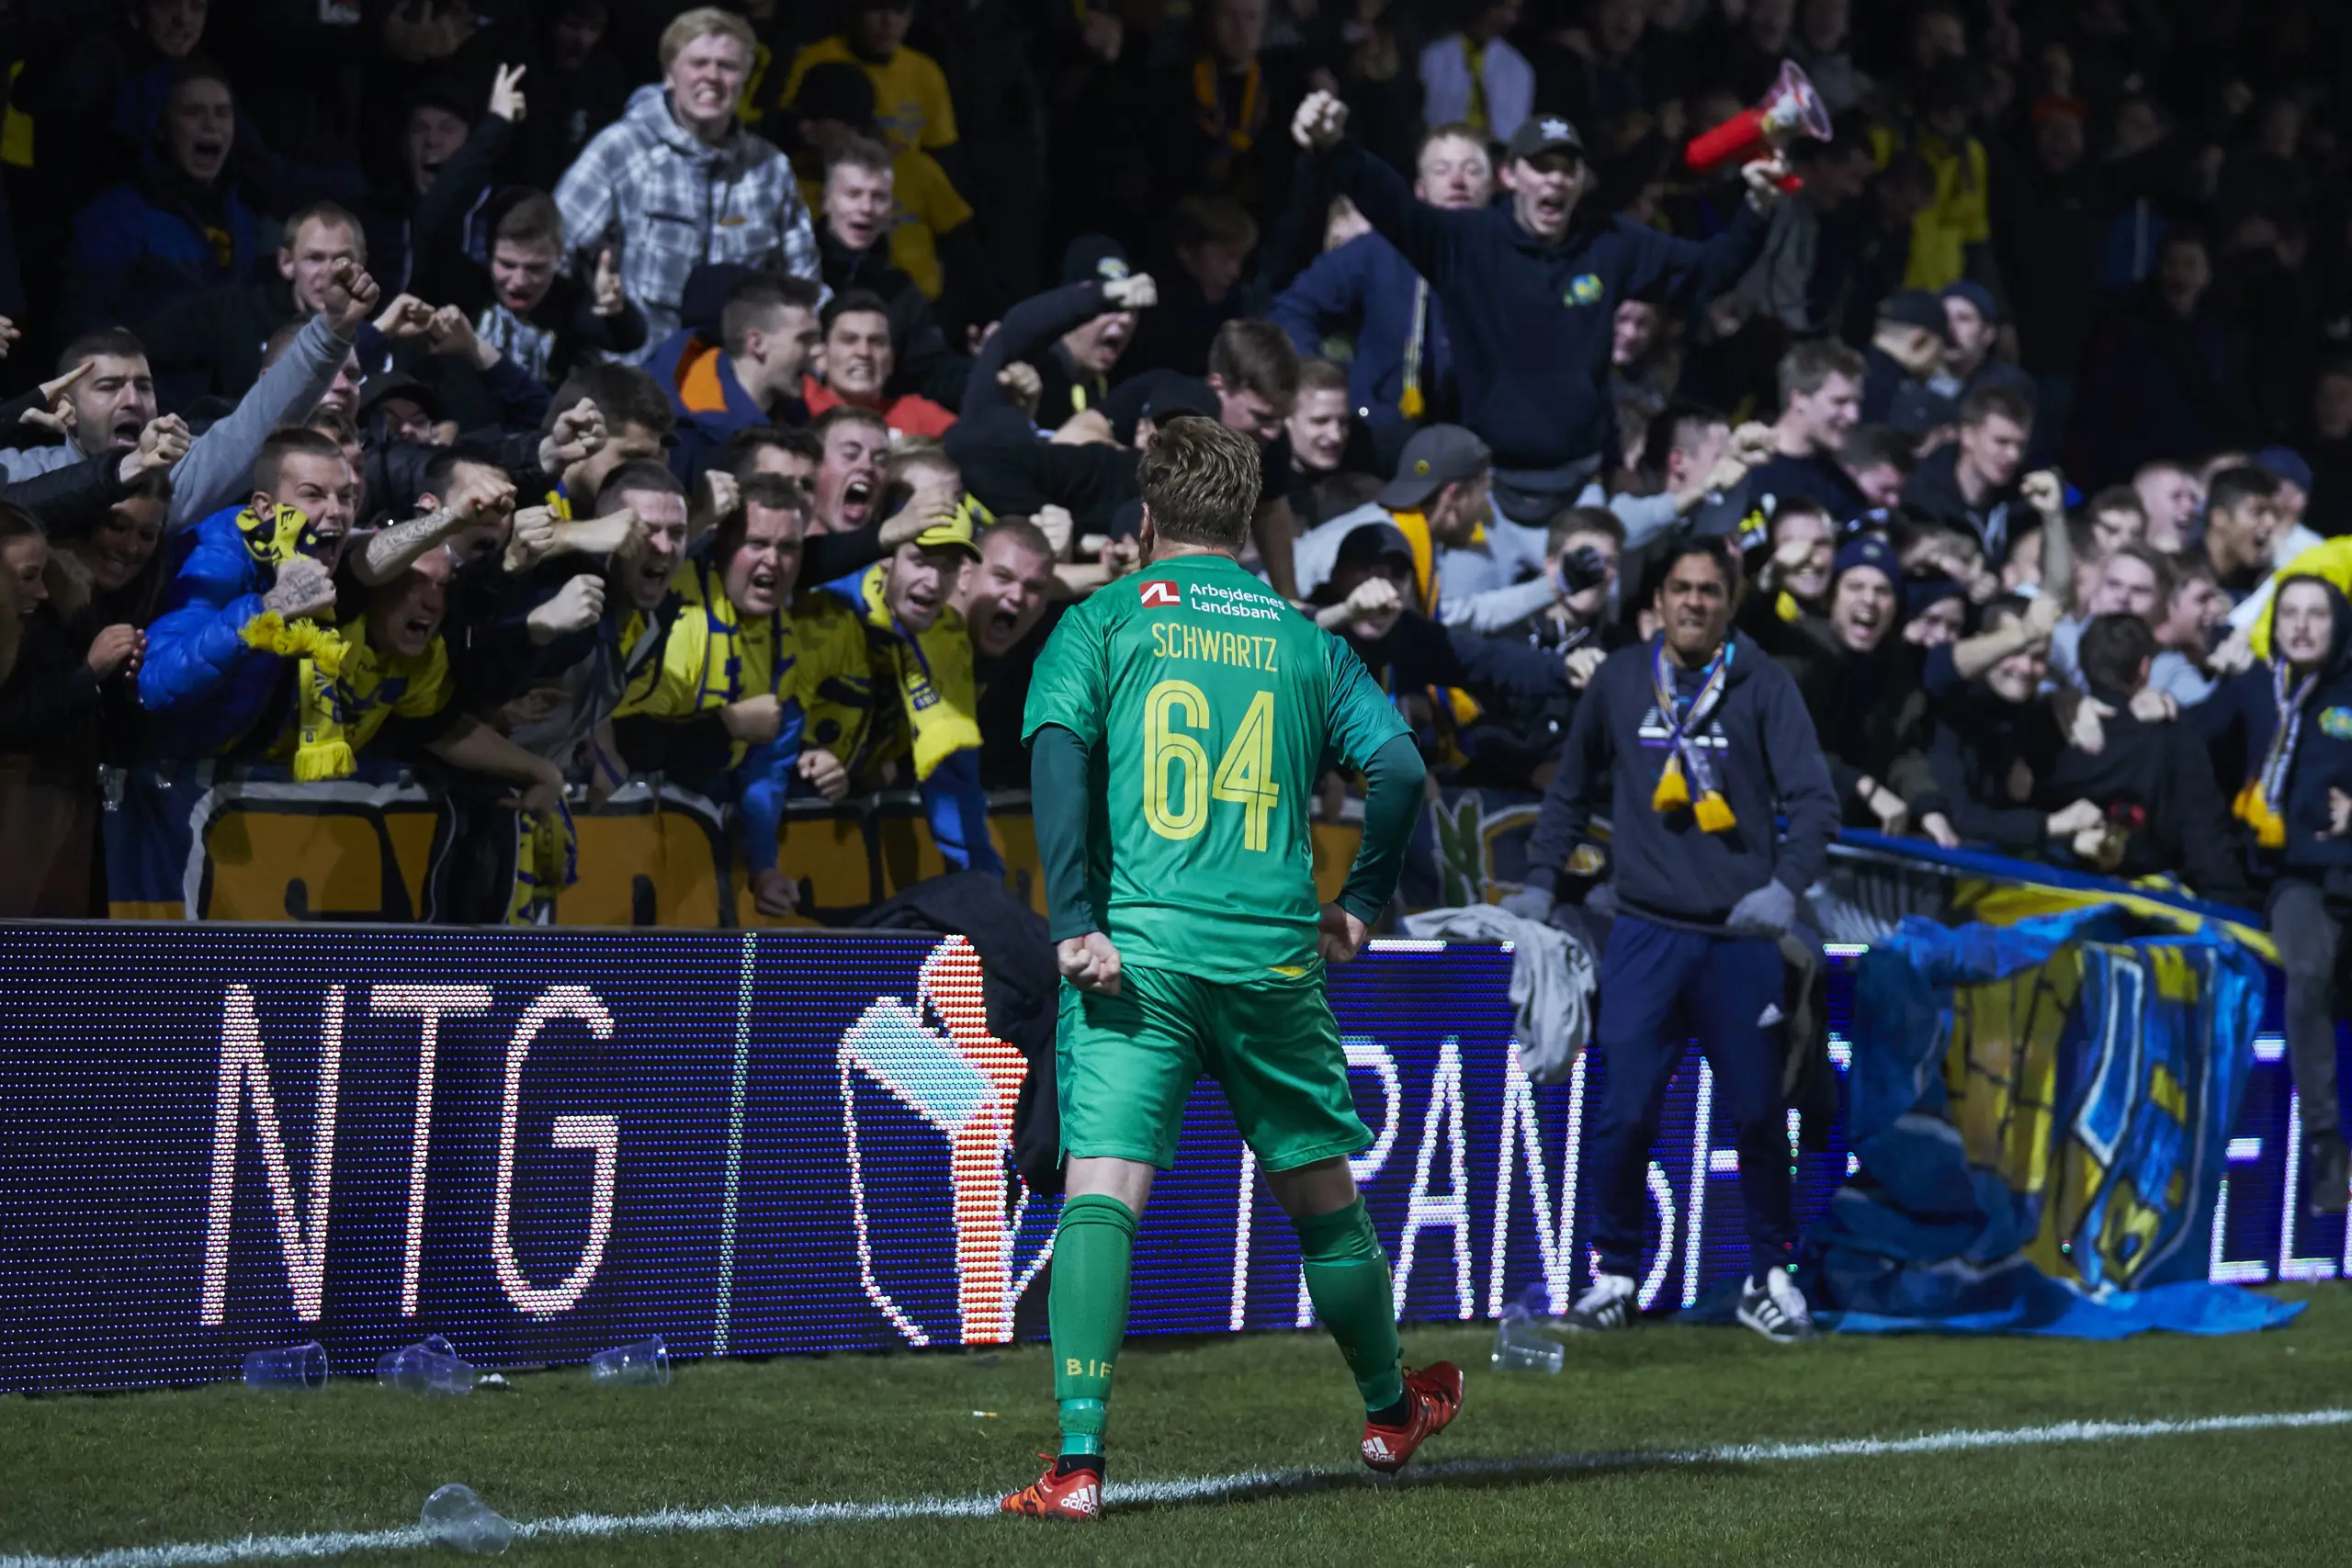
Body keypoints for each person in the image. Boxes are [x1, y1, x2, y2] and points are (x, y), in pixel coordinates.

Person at [1001, 416, 1451, 1521]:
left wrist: (1072, 919)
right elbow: (1399, 771)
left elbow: (1055, 754)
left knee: (1104, 1196)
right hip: (1269, 960)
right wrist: (1359, 904)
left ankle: (1078, 1463)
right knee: (1321, 1199)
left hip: (1137, 956)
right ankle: (1389, 1410)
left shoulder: (1102, 619)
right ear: (1246, 524)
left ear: (1146, 517)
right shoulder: (1302, 640)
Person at [1505, 535, 1838, 1342]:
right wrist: (1542, 880)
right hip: (1645, 934)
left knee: (1760, 1116)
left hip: (1739, 940)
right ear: (1657, 600)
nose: (1694, 602)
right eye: (1681, 588)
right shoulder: (1622, 679)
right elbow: (1569, 790)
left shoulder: (1764, 683)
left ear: (1731, 602)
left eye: (1710, 591)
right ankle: (1616, 1274)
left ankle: (1770, 1276)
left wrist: (1784, 888)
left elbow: (1815, 802)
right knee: (1623, 1115)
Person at [1293, 93, 1783, 525]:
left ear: (1581, 181)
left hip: (1583, 484)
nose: (1555, 179)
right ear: (1510, 176)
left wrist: (1757, 207)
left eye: (1567, 168)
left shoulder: (1610, 242)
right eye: (1541, 167)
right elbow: (1391, 204)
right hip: (1485, 487)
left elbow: (1707, 272)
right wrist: (1334, 146)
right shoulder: (1466, 241)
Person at [0, 256, 375, 531]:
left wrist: (331, 330)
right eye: (109, 387)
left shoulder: (173, 476)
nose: (132, 400)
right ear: (67, 411)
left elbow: (256, 421)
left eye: (143, 386)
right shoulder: (21, 473)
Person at [553, 7, 818, 355]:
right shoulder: (621, 149)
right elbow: (553, 253)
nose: (712, 76)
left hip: (736, 376)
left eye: (727, 66)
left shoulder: (770, 169)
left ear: (744, 79)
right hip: (639, 371)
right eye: (698, 63)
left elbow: (803, 283)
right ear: (669, 75)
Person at [2230, 576, 2352, 1214]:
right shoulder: (2255, 689)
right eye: (2290, 614)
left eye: (2317, 614)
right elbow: (2194, 750)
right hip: (2295, 879)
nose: (2302, 626)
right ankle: (2325, 1143)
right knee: (2306, 973)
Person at [1268, 124, 1492, 467]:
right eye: (1441, 170)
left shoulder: (1514, 259)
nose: (1458, 181)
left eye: (1472, 170)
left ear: (1494, 185)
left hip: (1483, 444)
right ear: (1420, 189)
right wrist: (1318, 379)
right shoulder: (1379, 251)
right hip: (1383, 444)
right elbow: (1291, 308)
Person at [64, 59, 258, 335]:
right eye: (193, 112)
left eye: (222, 113)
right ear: (162, 127)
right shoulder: (115, 217)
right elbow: (86, 326)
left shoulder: (242, 218)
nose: (211, 125)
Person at [649, 273, 821, 485]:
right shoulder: (681, 433)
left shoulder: (798, 418)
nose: (816, 351)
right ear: (757, 343)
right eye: (804, 340)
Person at [1901, 386, 2031, 566]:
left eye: (2020, 446)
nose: (2013, 456)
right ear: (1968, 436)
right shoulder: (1922, 498)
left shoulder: (2023, 500)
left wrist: (2053, 517)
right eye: (2001, 442)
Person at [802, 289, 957, 437]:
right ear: (821, 355)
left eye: (876, 342)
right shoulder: (800, 405)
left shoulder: (918, 417)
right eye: (849, 340)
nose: (864, 352)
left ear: (891, 360)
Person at [1747, 339, 1868, 519]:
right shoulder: (1745, 470)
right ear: (1800, 399)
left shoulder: (1843, 492)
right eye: (1840, 402)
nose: (1853, 416)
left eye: (1857, 403)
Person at [1419, 0, 1532, 144]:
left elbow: (1513, 132)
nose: (1509, 18)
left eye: (1515, 11)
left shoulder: (1518, 68)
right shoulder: (1434, 56)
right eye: (1500, 6)